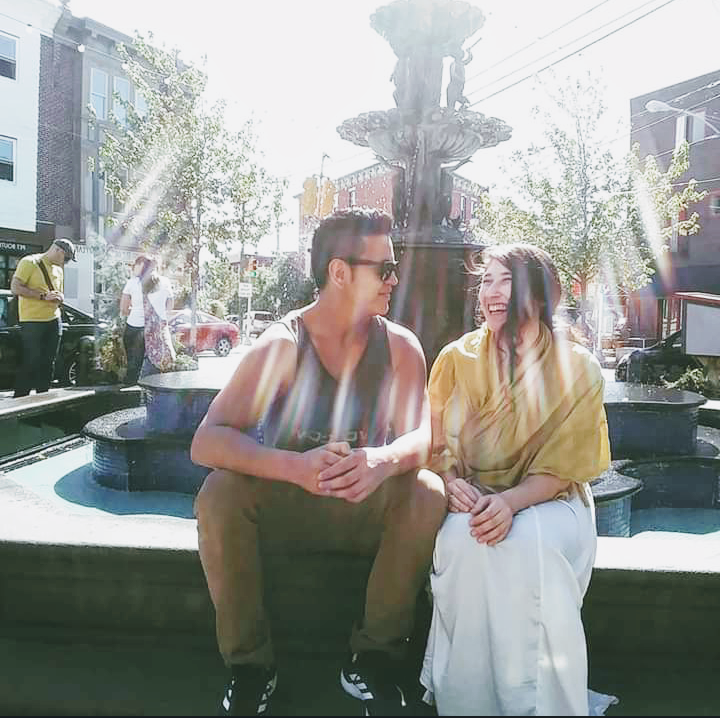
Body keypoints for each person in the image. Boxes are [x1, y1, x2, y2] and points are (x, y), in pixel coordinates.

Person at [190, 208, 447, 716]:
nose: (394, 280)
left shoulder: (400, 347)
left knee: (427, 491)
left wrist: (381, 460)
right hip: (290, 512)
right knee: (219, 494)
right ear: (339, 272)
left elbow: (423, 438)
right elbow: (206, 442)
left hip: (363, 511)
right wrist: (294, 468)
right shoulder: (282, 346)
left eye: (394, 269)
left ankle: (373, 659)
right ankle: (250, 667)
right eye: (384, 269)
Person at [420, 243, 616, 716]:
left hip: (552, 498)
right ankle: (467, 703)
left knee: (528, 540)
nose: (491, 292)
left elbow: (562, 469)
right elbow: (435, 446)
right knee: (460, 540)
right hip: (472, 497)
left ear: (540, 294)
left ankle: (544, 704)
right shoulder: (455, 359)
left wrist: (510, 503)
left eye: (506, 281)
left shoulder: (578, 368)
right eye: (486, 281)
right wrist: (450, 481)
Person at [10, 238, 76, 397]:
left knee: (48, 363)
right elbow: (15, 287)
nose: (66, 262)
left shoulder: (59, 269)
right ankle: (20, 401)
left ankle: (43, 400)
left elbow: (58, 292)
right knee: (31, 361)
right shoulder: (29, 262)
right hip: (32, 321)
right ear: (58, 250)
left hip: (54, 320)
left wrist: (60, 297)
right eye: (66, 258)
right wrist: (42, 296)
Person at [119, 254, 173, 383]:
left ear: (141, 266)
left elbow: (123, 309)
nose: (133, 268)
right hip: (156, 329)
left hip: (134, 327)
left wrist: (135, 311)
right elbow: (169, 306)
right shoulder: (165, 282)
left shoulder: (132, 282)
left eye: (135, 265)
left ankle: (131, 389)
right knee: (156, 366)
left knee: (133, 365)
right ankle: (153, 390)